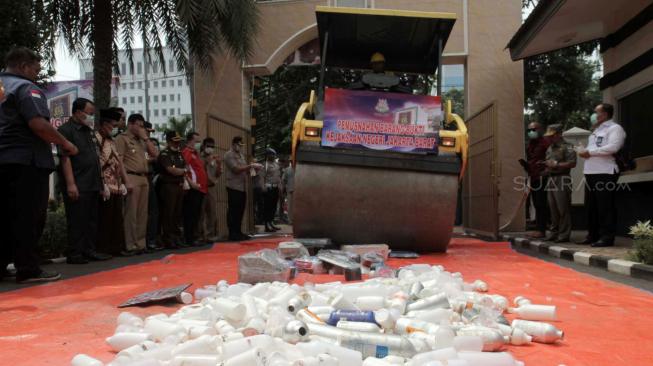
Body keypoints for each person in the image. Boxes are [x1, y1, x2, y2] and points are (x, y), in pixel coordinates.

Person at [1, 47, 78, 283]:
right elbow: (38, 124)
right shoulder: (26, 88)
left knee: (4, 216)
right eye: (36, 69)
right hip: (25, 161)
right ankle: (28, 269)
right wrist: (65, 143)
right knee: (29, 215)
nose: (36, 74)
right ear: (24, 67)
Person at [58, 98, 112, 264]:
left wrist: (101, 183)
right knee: (77, 219)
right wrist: (71, 184)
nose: (91, 117)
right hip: (78, 182)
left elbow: (96, 158)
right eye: (89, 113)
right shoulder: (65, 130)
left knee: (91, 220)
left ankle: (89, 250)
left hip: (92, 181)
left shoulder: (88, 131)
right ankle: (75, 253)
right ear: (78, 112)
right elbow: (65, 158)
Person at [577, 103, 626, 247]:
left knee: (605, 206)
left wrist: (589, 153)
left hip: (605, 172)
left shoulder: (615, 128)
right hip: (591, 171)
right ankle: (592, 235)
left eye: (596, 112)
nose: (594, 115)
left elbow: (613, 147)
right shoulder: (596, 130)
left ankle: (607, 237)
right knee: (592, 206)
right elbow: (594, 149)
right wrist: (584, 152)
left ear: (604, 114)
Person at [115, 114, 158, 254]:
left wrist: (146, 137)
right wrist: (126, 181)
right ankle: (130, 245)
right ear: (130, 124)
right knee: (131, 214)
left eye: (142, 126)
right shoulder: (122, 139)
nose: (141, 128)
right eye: (139, 125)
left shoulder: (141, 140)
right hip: (131, 176)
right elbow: (119, 161)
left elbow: (155, 154)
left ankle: (140, 244)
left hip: (144, 178)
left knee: (142, 214)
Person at [95, 109, 130, 256]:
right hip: (104, 183)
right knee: (105, 219)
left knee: (117, 218)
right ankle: (104, 248)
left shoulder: (112, 141)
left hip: (116, 183)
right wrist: (101, 182)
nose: (113, 128)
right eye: (111, 125)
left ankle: (117, 248)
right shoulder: (96, 138)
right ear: (104, 124)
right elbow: (97, 162)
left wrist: (122, 182)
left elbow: (117, 162)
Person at [543, 124, 576, 243]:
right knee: (552, 208)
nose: (550, 138)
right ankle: (554, 232)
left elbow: (572, 163)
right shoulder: (550, 148)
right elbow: (548, 162)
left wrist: (556, 164)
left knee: (563, 208)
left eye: (552, 136)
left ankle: (564, 234)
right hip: (551, 178)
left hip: (563, 178)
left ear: (559, 134)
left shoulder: (569, 146)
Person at [224, 136, 259, 240]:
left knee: (240, 210)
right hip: (233, 186)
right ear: (234, 144)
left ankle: (238, 232)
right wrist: (249, 166)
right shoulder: (229, 155)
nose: (240, 147)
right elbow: (236, 169)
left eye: (241, 145)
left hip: (242, 187)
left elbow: (244, 170)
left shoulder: (241, 155)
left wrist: (253, 169)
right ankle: (232, 233)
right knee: (233, 210)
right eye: (239, 145)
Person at [158, 131, 187, 248]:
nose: (177, 143)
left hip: (178, 185)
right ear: (169, 141)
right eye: (175, 141)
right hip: (168, 186)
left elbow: (185, 167)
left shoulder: (179, 153)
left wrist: (182, 171)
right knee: (168, 213)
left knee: (177, 213)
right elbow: (171, 170)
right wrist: (183, 171)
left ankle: (176, 237)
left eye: (178, 141)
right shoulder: (165, 154)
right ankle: (167, 238)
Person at [525, 121, 553, 239]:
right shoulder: (530, 144)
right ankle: (539, 228)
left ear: (540, 129)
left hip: (544, 176)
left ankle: (543, 229)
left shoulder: (546, 143)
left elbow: (551, 158)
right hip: (533, 176)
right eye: (529, 130)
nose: (532, 132)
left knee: (542, 203)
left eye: (534, 129)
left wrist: (545, 171)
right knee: (536, 203)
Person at [181, 131, 209, 246]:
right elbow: (184, 168)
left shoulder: (195, 153)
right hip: (194, 188)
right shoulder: (187, 152)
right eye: (196, 141)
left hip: (200, 188)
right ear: (190, 140)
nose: (198, 143)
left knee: (196, 214)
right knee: (191, 214)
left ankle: (194, 236)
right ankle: (189, 238)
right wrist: (191, 183)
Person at [199, 137, 221, 243]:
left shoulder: (214, 158)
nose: (210, 148)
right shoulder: (199, 157)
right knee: (200, 213)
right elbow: (198, 171)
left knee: (212, 212)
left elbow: (217, 174)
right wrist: (206, 162)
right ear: (203, 146)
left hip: (211, 188)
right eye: (208, 146)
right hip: (201, 188)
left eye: (212, 147)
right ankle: (200, 235)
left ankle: (210, 235)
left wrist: (219, 164)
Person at [146, 132, 163, 251]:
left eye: (156, 144)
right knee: (147, 213)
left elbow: (158, 159)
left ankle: (154, 238)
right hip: (145, 180)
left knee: (156, 212)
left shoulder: (158, 156)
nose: (155, 146)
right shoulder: (143, 147)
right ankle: (148, 240)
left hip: (156, 185)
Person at [263, 148, 282, 233]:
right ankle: (267, 225)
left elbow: (278, 177)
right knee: (268, 207)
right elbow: (262, 177)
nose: (274, 156)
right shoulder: (265, 165)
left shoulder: (276, 165)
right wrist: (263, 187)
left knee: (274, 207)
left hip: (275, 187)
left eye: (274, 154)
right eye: (272, 154)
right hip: (268, 188)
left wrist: (280, 187)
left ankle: (271, 222)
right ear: (268, 155)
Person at [281, 158, 295, 224]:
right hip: (290, 190)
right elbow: (283, 180)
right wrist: (282, 189)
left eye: (293, 160)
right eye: (291, 161)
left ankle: (297, 220)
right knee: (290, 206)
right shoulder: (287, 170)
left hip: (299, 191)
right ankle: (290, 221)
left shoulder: (299, 168)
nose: (292, 161)